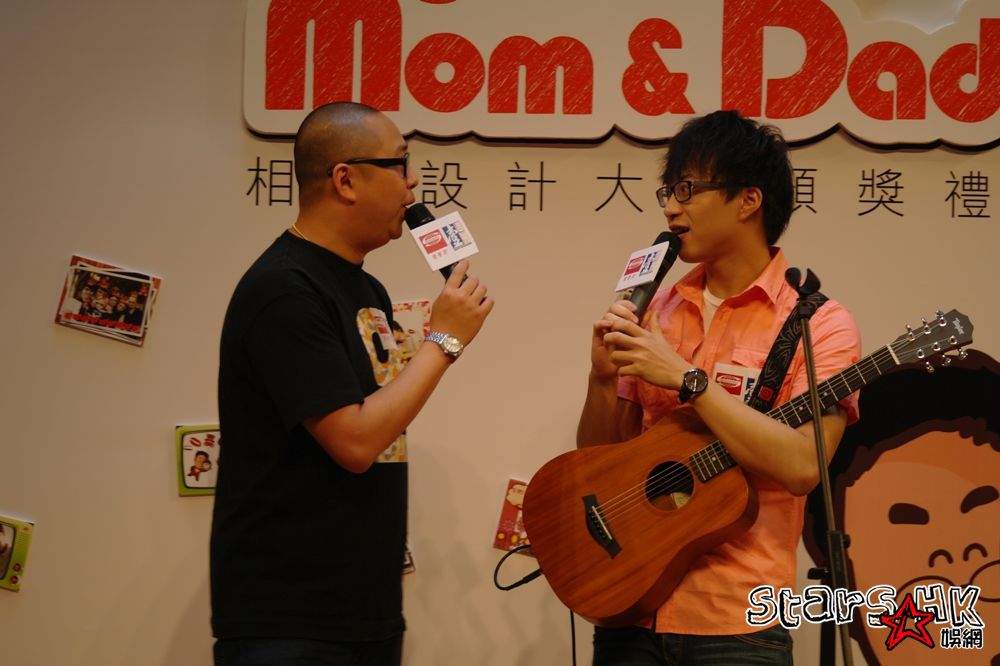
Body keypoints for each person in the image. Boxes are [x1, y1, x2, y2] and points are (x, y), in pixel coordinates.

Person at [210, 101, 493, 666]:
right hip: (290, 620)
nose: (413, 182)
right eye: (399, 164)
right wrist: (444, 341)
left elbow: (379, 420)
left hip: (364, 613)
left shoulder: (367, 290)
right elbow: (356, 441)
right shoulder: (284, 289)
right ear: (346, 180)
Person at [577, 110, 862, 665]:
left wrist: (689, 382)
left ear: (748, 200)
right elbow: (599, 458)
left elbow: (804, 466)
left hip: (737, 622)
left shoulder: (818, 323)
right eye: (668, 190)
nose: (670, 207)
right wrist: (602, 379)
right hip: (631, 604)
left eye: (687, 189)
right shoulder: (657, 308)